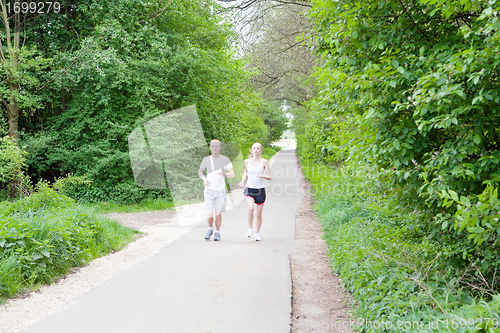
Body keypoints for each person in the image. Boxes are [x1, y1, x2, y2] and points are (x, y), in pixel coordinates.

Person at [198, 139, 234, 241]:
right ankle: (210, 229)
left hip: (220, 190)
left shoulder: (225, 159)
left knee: (218, 213)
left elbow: (232, 174)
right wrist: (204, 179)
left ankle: (217, 232)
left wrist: (224, 174)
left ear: (220, 147)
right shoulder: (206, 159)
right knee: (209, 213)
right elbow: (200, 172)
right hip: (209, 190)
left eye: (216, 146)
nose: (214, 148)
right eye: (212, 146)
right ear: (210, 148)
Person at [238, 142, 271, 241]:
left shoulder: (264, 162)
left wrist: (263, 176)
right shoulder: (247, 161)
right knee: (251, 208)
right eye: (254, 148)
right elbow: (246, 171)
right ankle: (250, 229)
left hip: (260, 190)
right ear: (251, 150)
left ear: (261, 150)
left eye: (258, 148)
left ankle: (257, 233)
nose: (255, 150)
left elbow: (270, 177)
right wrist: (242, 181)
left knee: (258, 214)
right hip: (249, 188)